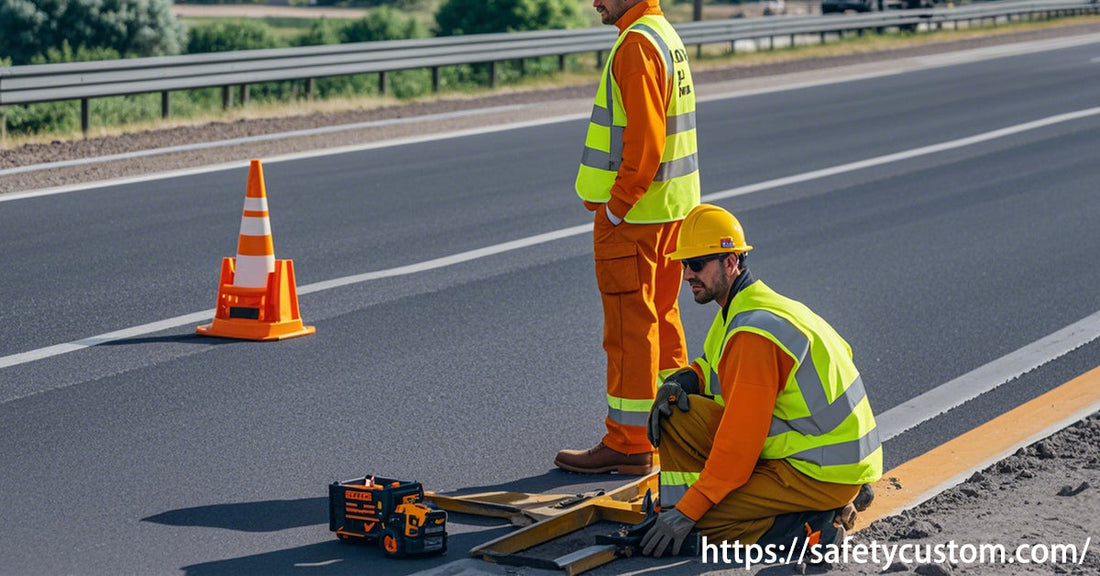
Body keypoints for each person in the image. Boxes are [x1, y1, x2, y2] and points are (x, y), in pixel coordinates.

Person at [638, 204, 882, 557]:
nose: (687, 274)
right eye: (683, 264)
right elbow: (715, 364)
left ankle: (815, 528)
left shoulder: (753, 333)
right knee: (675, 410)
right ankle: (830, 504)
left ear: (731, 262)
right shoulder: (747, 306)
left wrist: (688, 512)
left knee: (703, 526)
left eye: (697, 265)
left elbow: (739, 447)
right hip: (828, 459)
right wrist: (686, 380)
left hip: (821, 470)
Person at [555, 0, 700, 475]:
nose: (593, 1)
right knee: (661, 321)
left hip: (634, 217)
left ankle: (629, 441)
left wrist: (616, 208)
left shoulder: (636, 45)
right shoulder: (664, 36)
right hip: (670, 214)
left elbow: (646, 144)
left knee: (629, 331)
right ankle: (677, 429)